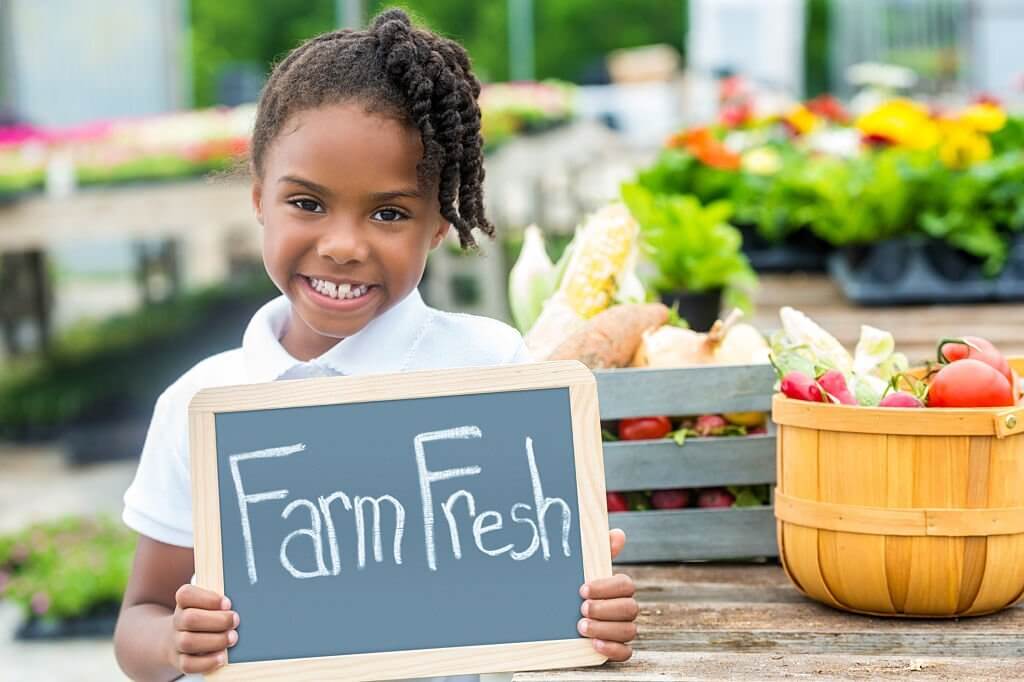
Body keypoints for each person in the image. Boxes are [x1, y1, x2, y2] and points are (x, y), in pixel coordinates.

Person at [113, 9, 638, 681]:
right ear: (258, 199)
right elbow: (140, 619)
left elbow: (556, 608)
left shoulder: (492, 371)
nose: (341, 245)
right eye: (306, 203)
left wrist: (594, 618)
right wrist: (175, 643)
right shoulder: (201, 404)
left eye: (389, 214)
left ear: (439, 227)